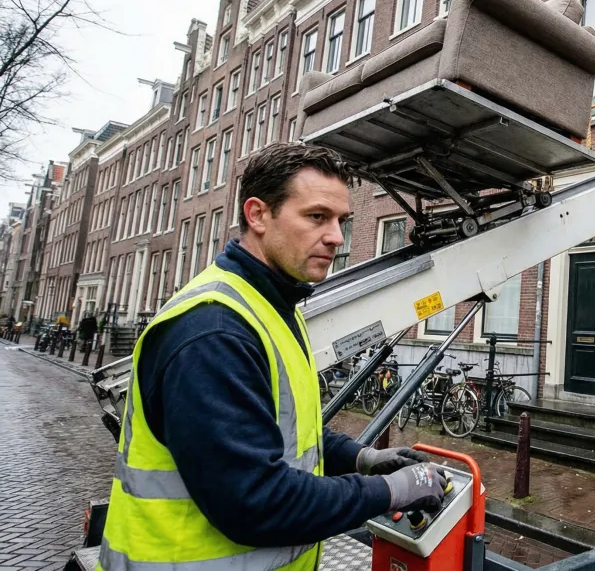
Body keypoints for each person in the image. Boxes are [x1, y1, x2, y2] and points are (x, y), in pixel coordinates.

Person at [98, 143, 448, 571]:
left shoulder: (274, 308)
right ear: (258, 214)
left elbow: (280, 431)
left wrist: (360, 457)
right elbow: (256, 500)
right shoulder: (215, 333)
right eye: (317, 216)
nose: (337, 236)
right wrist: (390, 492)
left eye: (341, 220)